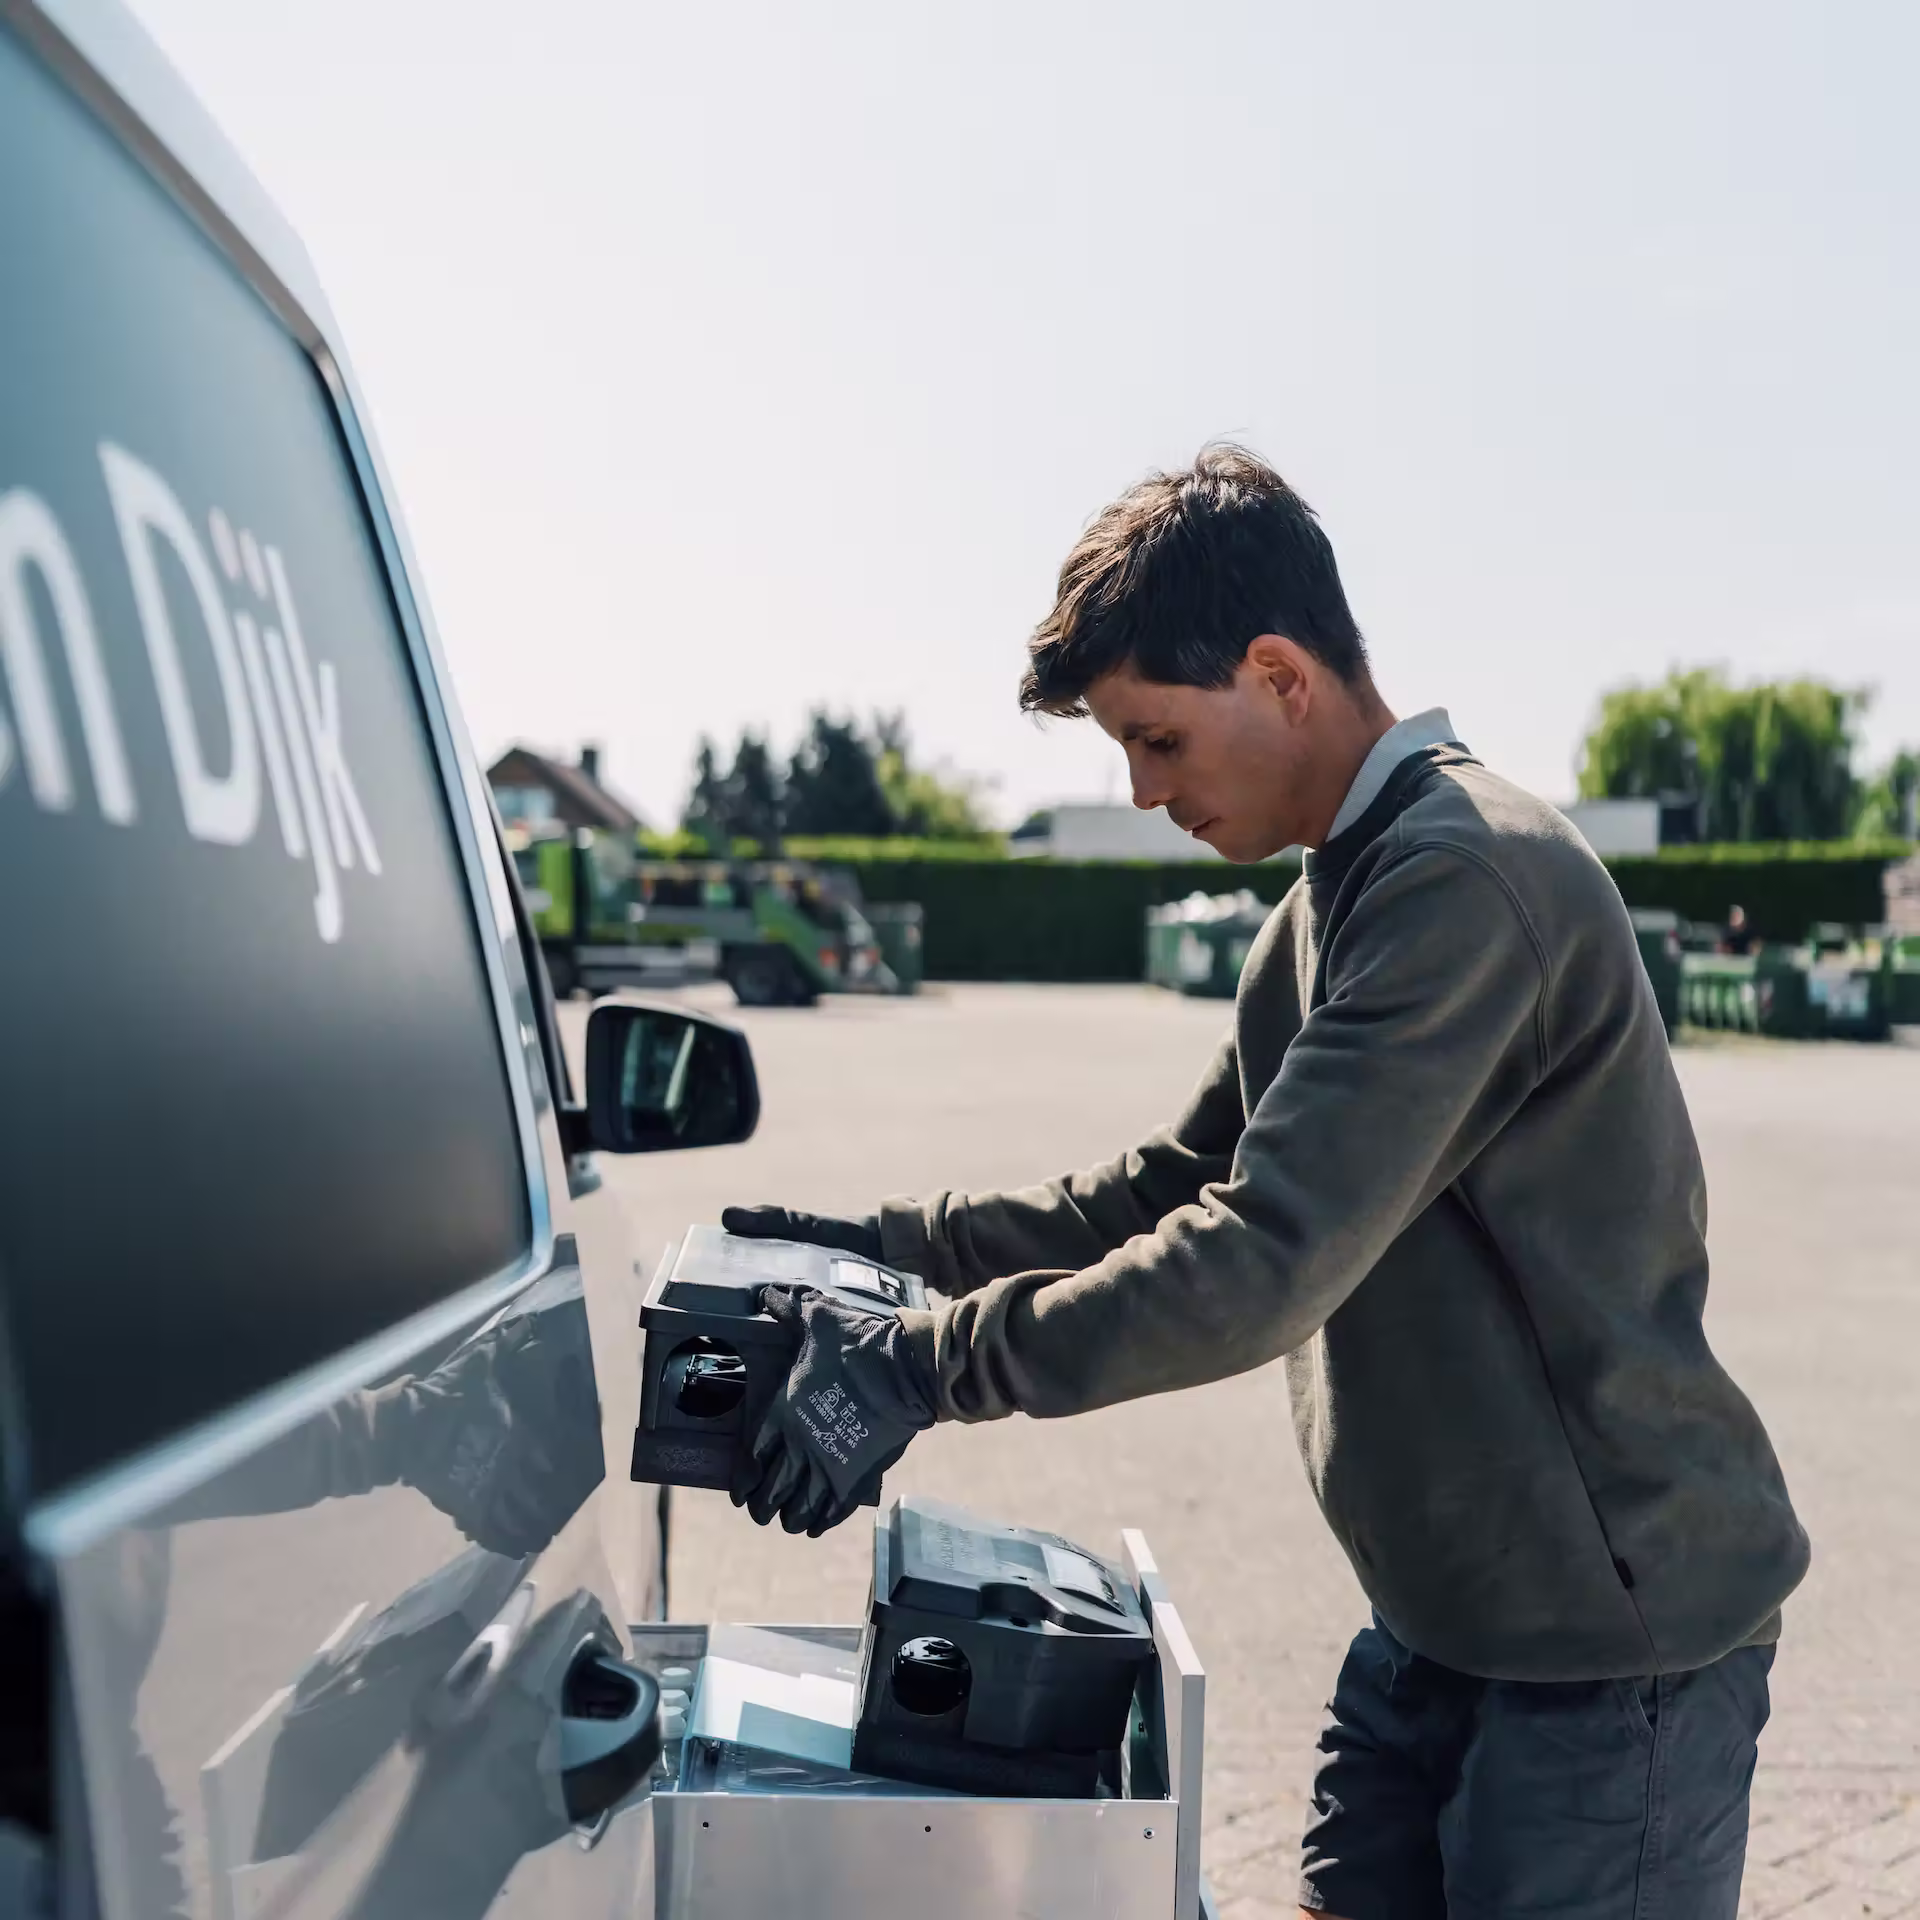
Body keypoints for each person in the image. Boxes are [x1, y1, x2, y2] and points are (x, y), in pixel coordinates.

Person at [726, 445, 1808, 1920]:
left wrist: (922, 1370)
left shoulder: (1466, 884)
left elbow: (1256, 1259)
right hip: (1435, 1625)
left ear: (1282, 678)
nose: (1143, 789)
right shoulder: (1321, 911)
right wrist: (891, 1254)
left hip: (1611, 1665)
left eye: (1160, 741)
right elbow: (1165, 1188)